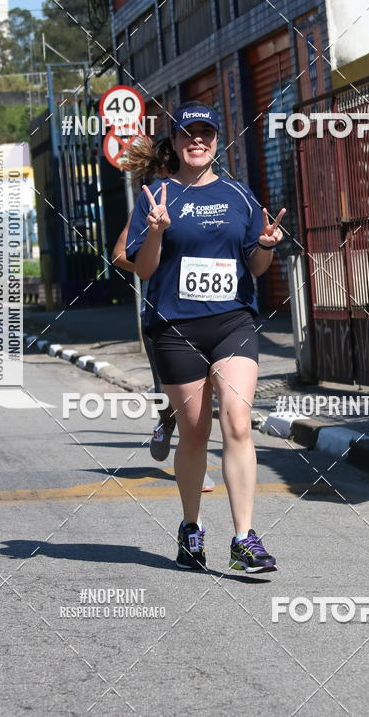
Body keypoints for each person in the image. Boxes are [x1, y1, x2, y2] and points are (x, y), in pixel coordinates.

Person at [126, 102, 285, 573]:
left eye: (206, 134)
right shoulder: (156, 195)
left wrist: (266, 248)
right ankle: (191, 528)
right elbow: (143, 268)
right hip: (175, 328)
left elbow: (254, 268)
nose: (198, 141)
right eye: (188, 134)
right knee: (195, 432)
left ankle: (244, 538)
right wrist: (155, 233)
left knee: (237, 421)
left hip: (232, 322)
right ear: (174, 143)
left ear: (217, 141)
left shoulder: (239, 194)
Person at [112, 136, 214, 492]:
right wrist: (154, 259)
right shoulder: (154, 200)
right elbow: (120, 255)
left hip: (210, 313)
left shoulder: (211, 199)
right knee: (179, 394)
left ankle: (188, 447)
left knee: (211, 390)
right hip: (164, 314)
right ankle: (168, 426)